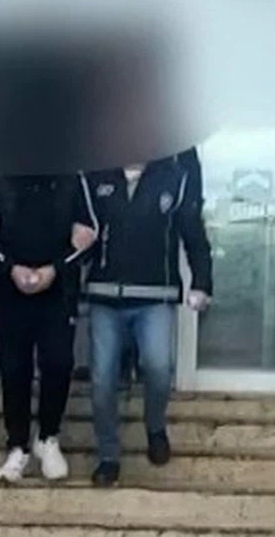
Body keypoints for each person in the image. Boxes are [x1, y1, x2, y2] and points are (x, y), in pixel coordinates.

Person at [84, 155, 212, 487]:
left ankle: (155, 426)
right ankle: (108, 456)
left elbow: (193, 233)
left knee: (158, 366)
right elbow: (80, 227)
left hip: (155, 295)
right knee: (102, 380)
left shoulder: (173, 178)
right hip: (104, 296)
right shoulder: (98, 176)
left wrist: (201, 283)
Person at [0, 173, 98, 482]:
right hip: (8, 287)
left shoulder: (72, 175)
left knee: (58, 362)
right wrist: (10, 267)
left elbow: (90, 231)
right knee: (14, 368)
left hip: (57, 289)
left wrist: (55, 269)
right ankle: (17, 446)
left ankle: (47, 438)